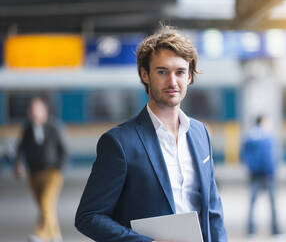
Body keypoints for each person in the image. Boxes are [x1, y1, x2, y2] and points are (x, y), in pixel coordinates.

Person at [75, 26, 228, 242]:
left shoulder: (200, 133)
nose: (172, 82)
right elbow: (89, 217)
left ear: (190, 77)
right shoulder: (119, 143)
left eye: (180, 72)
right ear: (144, 75)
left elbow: (213, 211)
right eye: (162, 72)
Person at [14, 97, 67, 242]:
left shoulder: (54, 126)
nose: (32, 112)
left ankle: (40, 235)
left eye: (36, 108)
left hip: (52, 173)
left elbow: (64, 149)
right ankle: (56, 236)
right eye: (31, 109)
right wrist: (18, 164)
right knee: (47, 208)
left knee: (46, 202)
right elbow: (20, 148)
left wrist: (59, 168)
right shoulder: (27, 128)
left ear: (44, 110)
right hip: (34, 173)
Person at [240, 115, 280, 236]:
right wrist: (272, 170)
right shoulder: (267, 136)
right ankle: (275, 230)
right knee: (272, 204)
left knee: (252, 202)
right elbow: (271, 157)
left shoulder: (249, 135)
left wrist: (251, 167)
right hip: (267, 174)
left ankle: (251, 230)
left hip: (254, 173)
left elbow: (244, 155)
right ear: (263, 121)